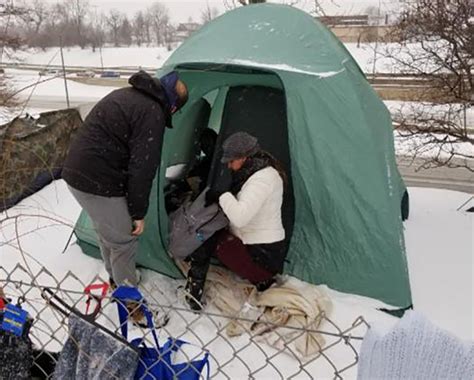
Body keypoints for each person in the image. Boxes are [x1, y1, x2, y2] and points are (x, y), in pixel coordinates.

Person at [63, 70, 188, 290]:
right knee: (123, 242)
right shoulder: (152, 113)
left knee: (108, 234)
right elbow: (142, 168)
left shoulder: (129, 95)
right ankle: (130, 301)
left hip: (77, 173)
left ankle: (117, 280)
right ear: (173, 105)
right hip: (97, 180)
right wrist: (138, 213)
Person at [185, 132, 288, 311]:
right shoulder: (260, 172)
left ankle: (195, 287)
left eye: (232, 161)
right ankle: (196, 281)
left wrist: (222, 195)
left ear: (244, 157)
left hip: (263, 256)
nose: (230, 166)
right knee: (212, 232)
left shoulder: (261, 180)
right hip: (264, 249)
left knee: (208, 236)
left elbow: (240, 218)